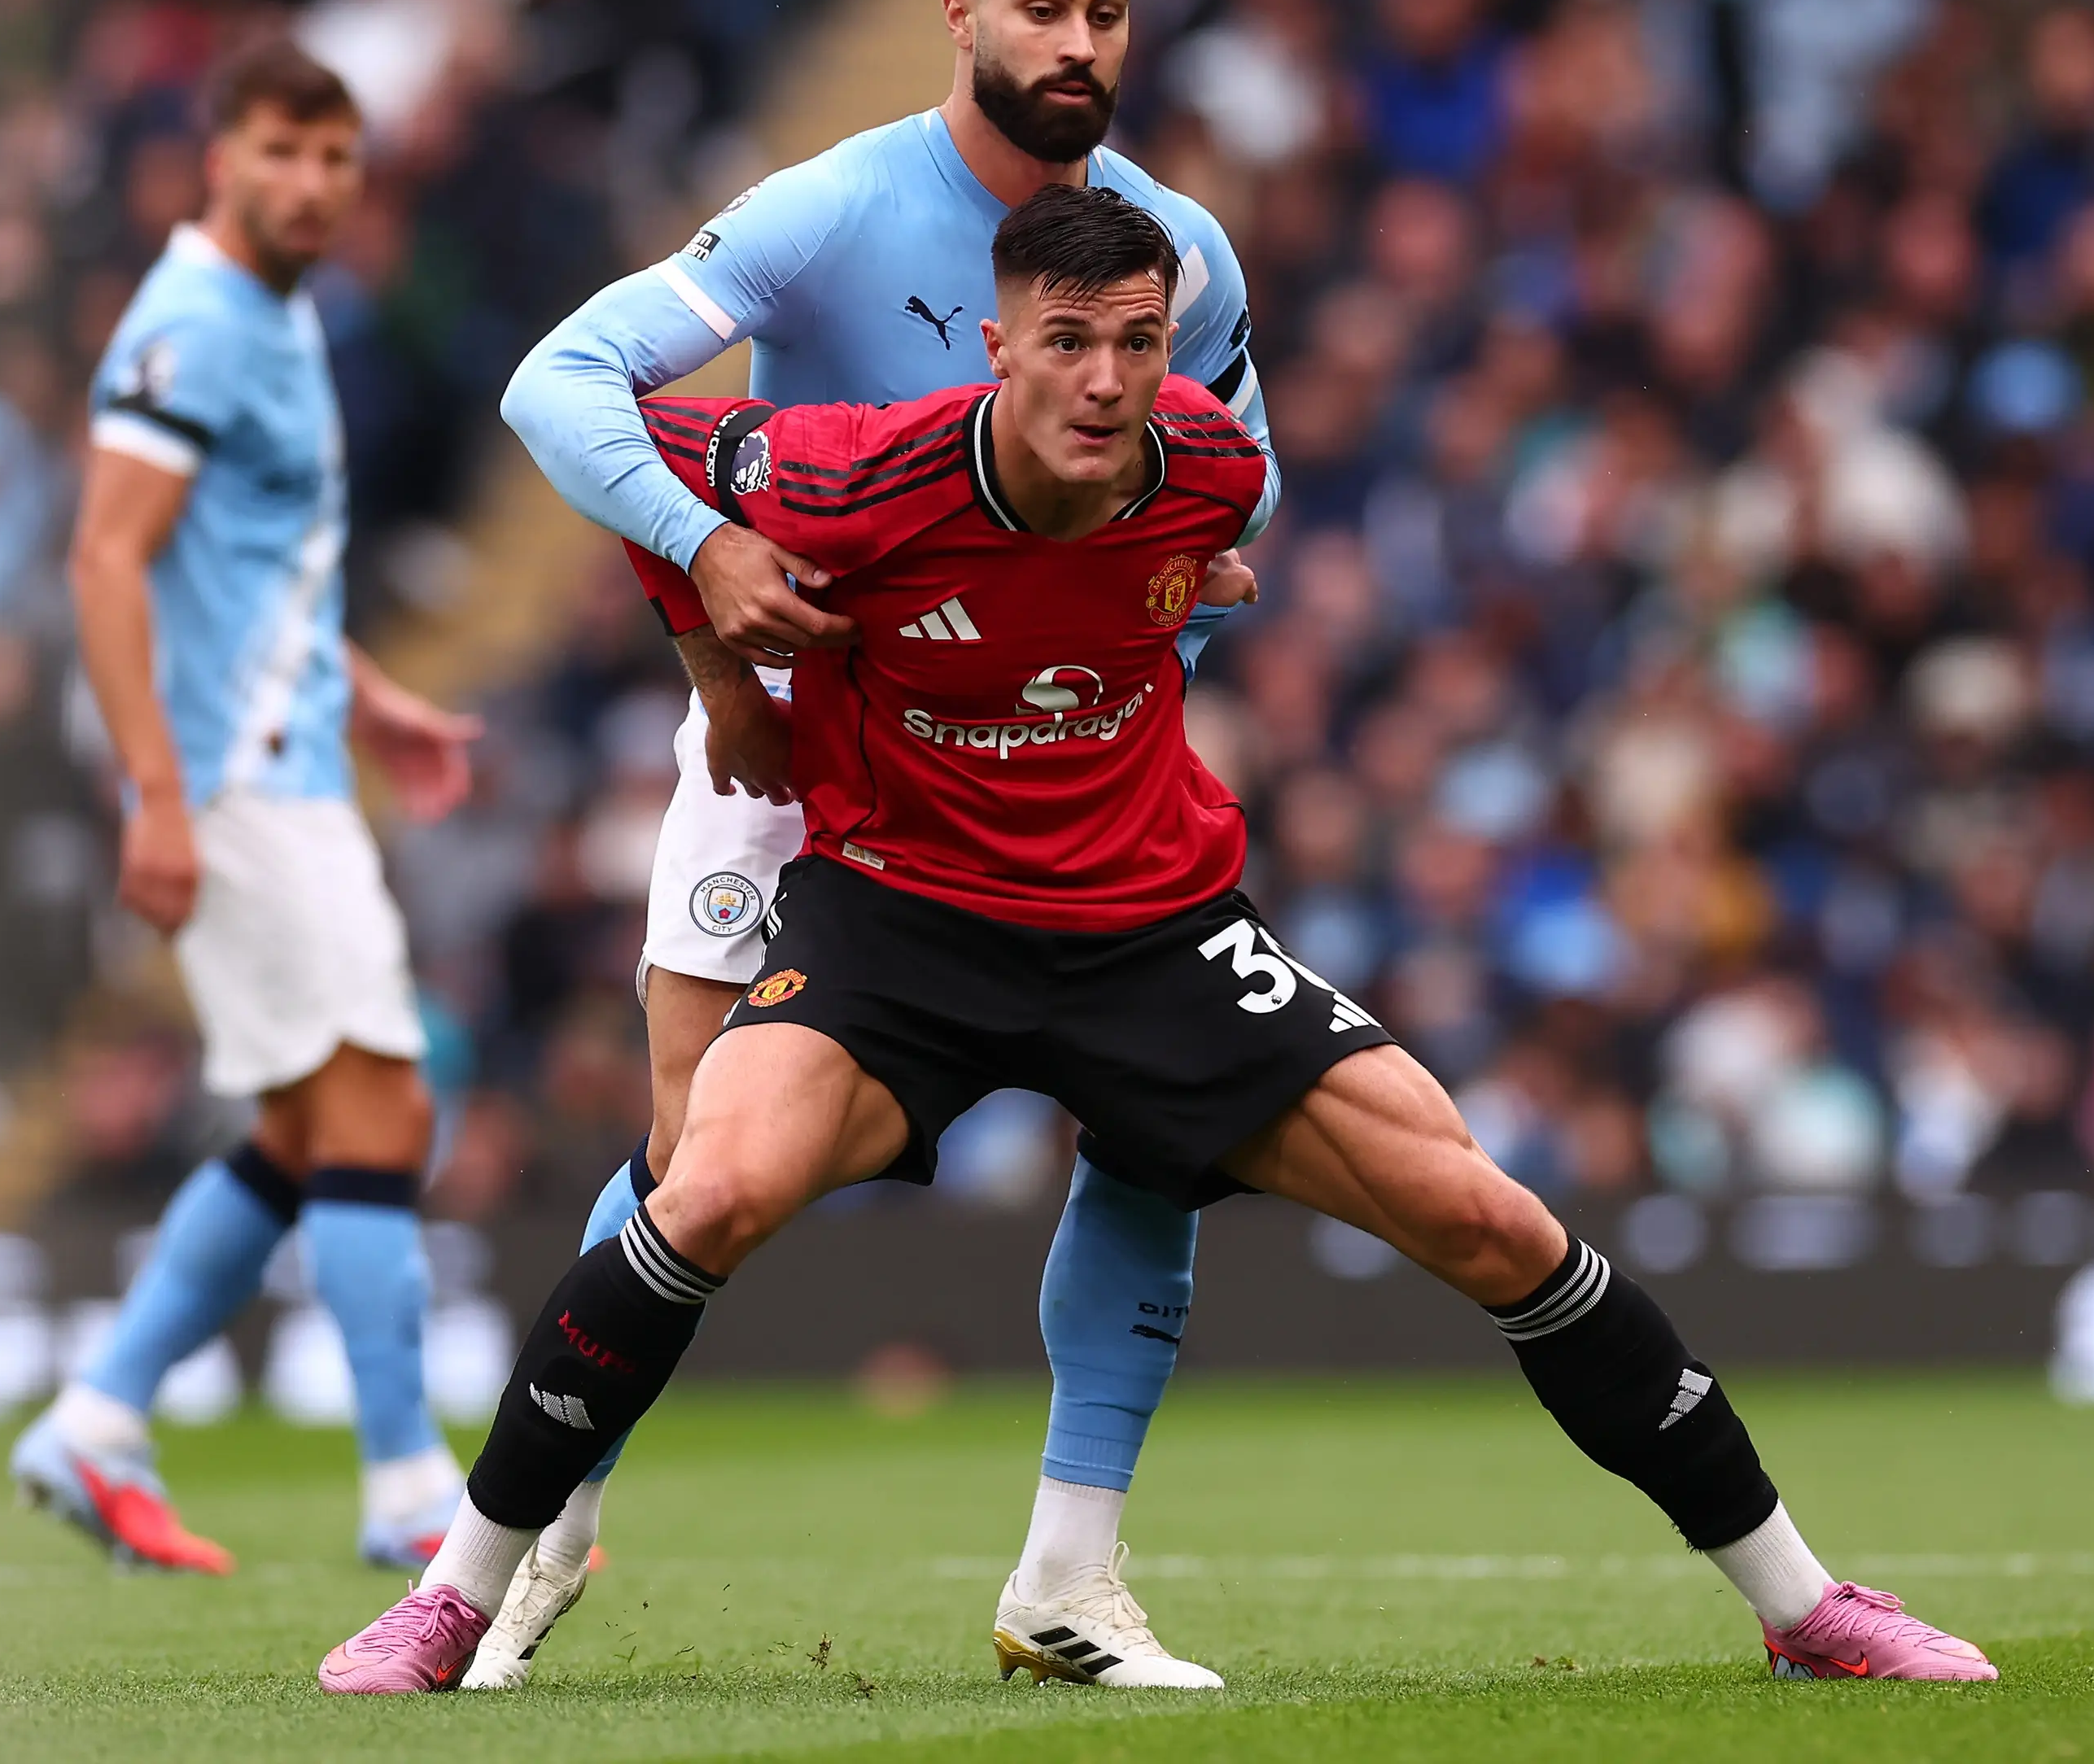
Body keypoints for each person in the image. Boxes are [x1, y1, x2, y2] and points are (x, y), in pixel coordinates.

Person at [322, 186, 1996, 1694]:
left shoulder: (1216, 465)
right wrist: (715, 645)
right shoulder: (849, 469)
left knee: (1492, 1217)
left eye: (1135, 341)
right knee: (706, 1188)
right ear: (997, 350)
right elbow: (627, 452)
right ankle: (454, 1596)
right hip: (898, 919)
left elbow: (1194, 547)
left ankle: (1805, 1603)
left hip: (1150, 928)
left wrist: (1195, 581)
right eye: (1068, 342)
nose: (1106, 379)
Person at [482, 0, 1265, 1689]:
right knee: (691, 1157)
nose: (1078, 45)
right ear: (962, 14)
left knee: (1155, 1121)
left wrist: (1148, 646)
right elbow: (563, 383)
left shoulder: (1180, 252)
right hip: (800, 746)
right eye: (1042, 7)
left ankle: (1072, 1574)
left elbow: (1243, 480)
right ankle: (540, 1530)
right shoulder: (830, 209)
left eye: (1108, 13)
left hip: (1043, 758)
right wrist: (711, 564)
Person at [14, 42, 482, 1573]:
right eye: (281, 151)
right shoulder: (197, 324)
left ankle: (96, 1420)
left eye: (335, 157)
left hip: (280, 758)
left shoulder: (275, 315)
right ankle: (410, 1491)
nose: (311, 183)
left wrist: (375, 697)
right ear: (219, 160)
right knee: (382, 1107)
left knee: (302, 1125)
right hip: (232, 779)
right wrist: (156, 794)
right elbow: (105, 558)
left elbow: (256, 574)